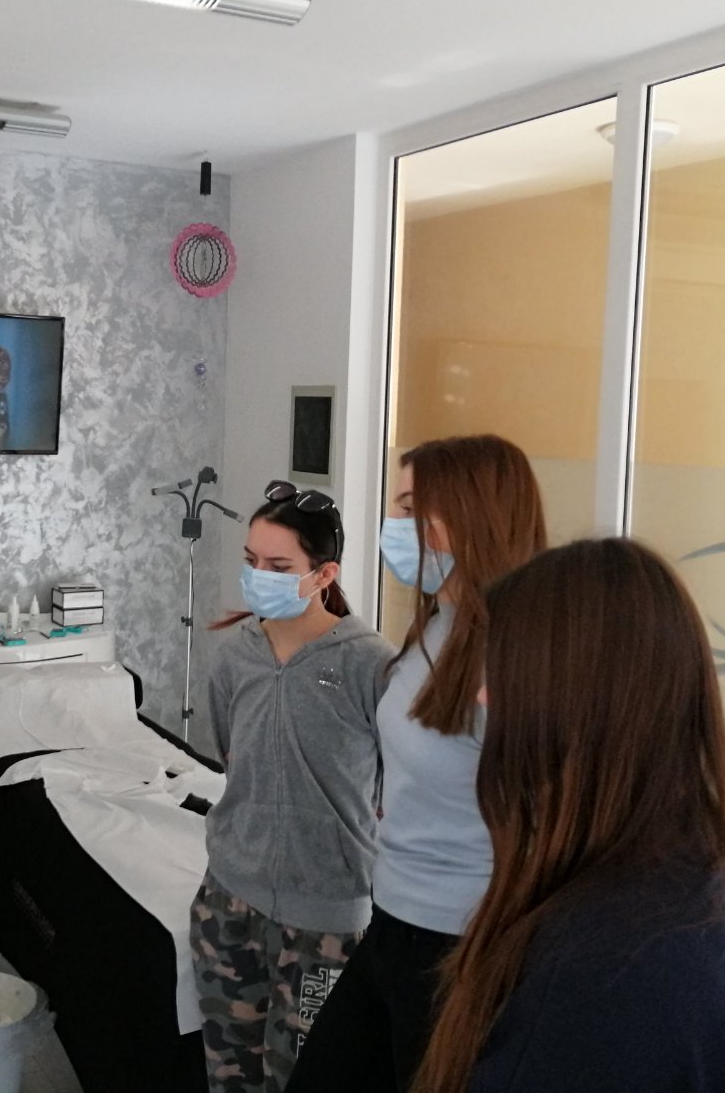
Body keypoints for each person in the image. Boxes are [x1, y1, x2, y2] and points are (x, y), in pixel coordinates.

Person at [416, 538, 725, 1092]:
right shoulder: (690, 877)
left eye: (507, 672)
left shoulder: (607, 966)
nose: (484, 696)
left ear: (576, 697)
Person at [288, 434, 546, 1093]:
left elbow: (548, 819)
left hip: (457, 945)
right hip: (395, 919)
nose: (391, 525)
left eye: (408, 509)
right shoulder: (439, 624)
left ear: (469, 514)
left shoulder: (513, 659)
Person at [191, 479, 397, 1093]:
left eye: (279, 567)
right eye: (251, 561)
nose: (258, 577)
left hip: (327, 918)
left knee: (305, 1078)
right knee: (230, 1074)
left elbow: (393, 784)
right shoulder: (235, 657)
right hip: (229, 901)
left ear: (324, 573)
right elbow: (231, 756)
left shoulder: (370, 664)